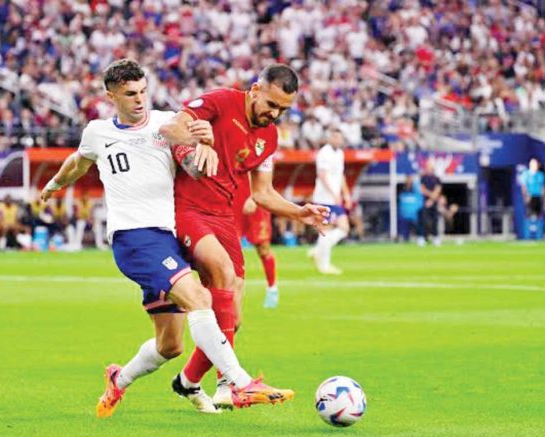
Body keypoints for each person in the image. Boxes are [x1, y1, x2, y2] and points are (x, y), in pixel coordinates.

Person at [40, 59, 294, 418]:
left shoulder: (166, 124)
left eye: (143, 91)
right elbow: (77, 163)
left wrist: (202, 146)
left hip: (169, 238)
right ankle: (238, 382)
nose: (139, 99)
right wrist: (53, 185)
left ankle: (119, 380)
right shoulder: (97, 132)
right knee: (200, 297)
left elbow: (190, 157)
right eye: (130, 94)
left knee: (171, 344)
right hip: (134, 238)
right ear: (111, 95)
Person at [159, 64, 329, 409]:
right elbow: (171, 127)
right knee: (221, 270)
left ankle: (188, 381)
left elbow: (263, 194)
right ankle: (232, 385)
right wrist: (197, 142)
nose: (275, 114)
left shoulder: (270, 137)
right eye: (271, 104)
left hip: (224, 217)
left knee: (233, 317)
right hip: (188, 208)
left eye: (283, 109)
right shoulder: (222, 101)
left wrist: (299, 211)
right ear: (255, 89)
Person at [308, 127, 351, 275]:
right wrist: (334, 194)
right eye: (335, 137)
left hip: (335, 198)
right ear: (330, 138)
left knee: (343, 228)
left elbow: (340, 175)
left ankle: (317, 251)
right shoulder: (324, 153)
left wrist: (346, 194)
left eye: (340, 138)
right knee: (327, 230)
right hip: (323, 198)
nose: (338, 140)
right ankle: (324, 265)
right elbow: (322, 175)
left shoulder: (340, 153)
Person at [234, 168, 279, 309]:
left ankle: (272, 289)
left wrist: (255, 196)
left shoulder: (260, 146)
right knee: (230, 248)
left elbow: (265, 167)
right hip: (233, 197)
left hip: (256, 198)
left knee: (263, 248)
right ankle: (232, 292)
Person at [519, 158, 545, 239]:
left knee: (539, 216)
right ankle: (527, 236)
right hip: (530, 197)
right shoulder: (525, 174)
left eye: (535, 164)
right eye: (532, 164)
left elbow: (543, 188)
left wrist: (544, 199)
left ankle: (539, 236)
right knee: (529, 216)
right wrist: (526, 196)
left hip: (539, 197)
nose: (534, 166)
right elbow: (523, 187)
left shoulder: (540, 175)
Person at [419, 159, 442, 246]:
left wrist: (432, 200)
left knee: (435, 220)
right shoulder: (423, 178)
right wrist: (430, 196)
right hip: (425, 202)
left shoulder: (437, 178)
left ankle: (436, 237)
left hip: (434, 202)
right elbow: (422, 189)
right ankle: (423, 238)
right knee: (424, 220)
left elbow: (438, 190)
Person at [398, 175, 424, 242]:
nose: (409, 181)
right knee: (404, 231)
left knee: (420, 227)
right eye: (407, 180)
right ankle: (404, 238)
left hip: (414, 214)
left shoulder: (416, 189)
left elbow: (420, 199)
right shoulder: (402, 189)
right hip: (404, 214)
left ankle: (422, 238)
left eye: (410, 180)